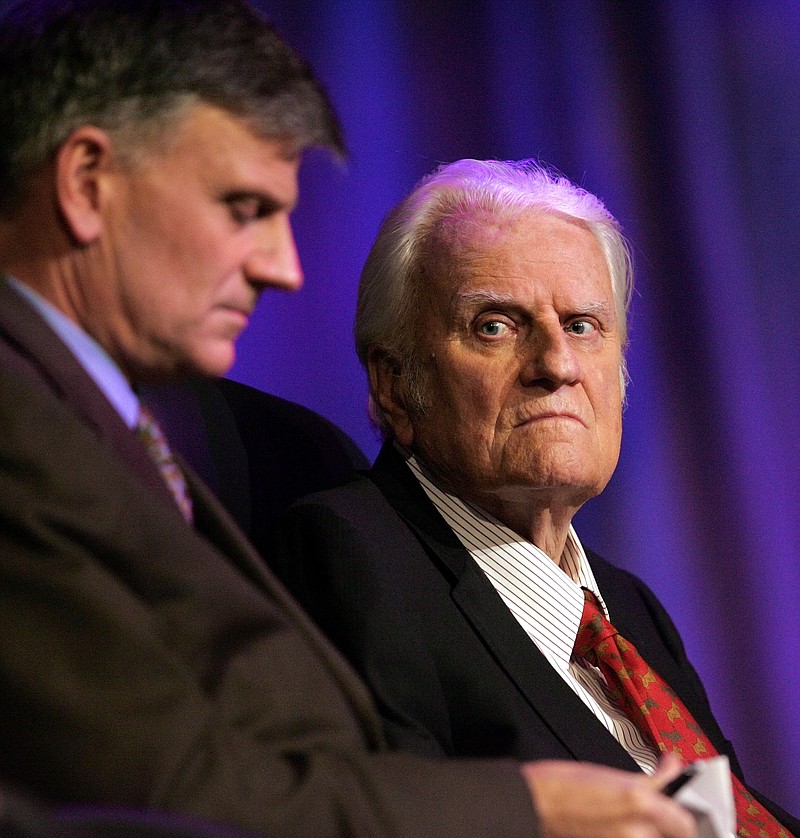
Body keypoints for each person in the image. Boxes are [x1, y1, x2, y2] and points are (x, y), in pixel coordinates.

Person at [0, 2, 697, 837]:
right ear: (86, 184)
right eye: (245, 207)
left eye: (584, 327)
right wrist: (535, 807)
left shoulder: (126, 436)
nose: (284, 268)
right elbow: (169, 785)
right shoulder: (28, 432)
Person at [267, 159, 799, 836]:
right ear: (394, 384)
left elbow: (730, 819)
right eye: (495, 325)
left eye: (582, 325)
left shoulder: (629, 607)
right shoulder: (350, 561)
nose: (558, 364)